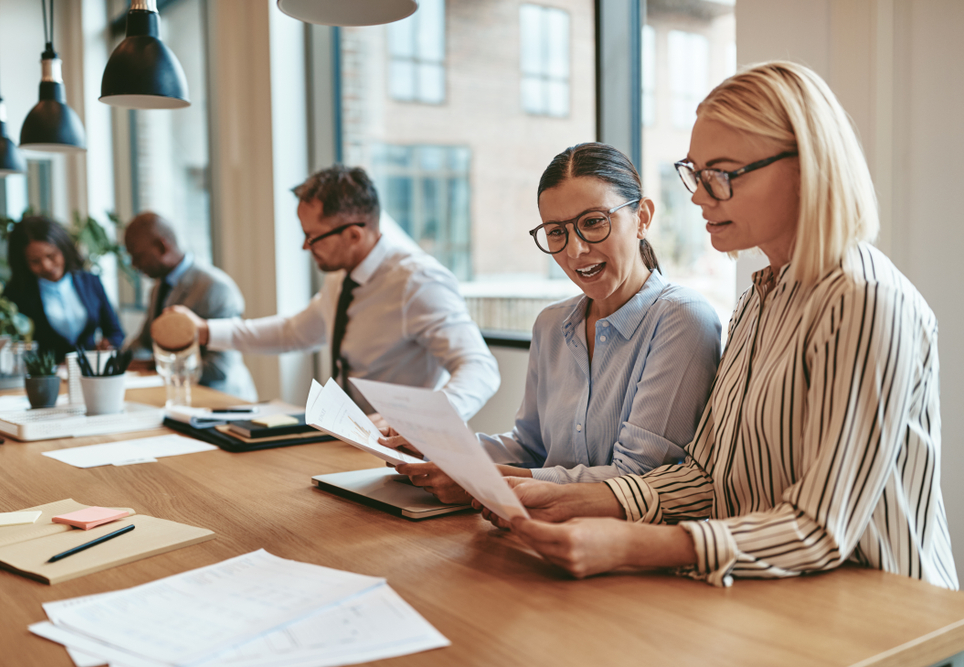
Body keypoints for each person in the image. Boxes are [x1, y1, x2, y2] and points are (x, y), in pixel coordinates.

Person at [483, 61, 958, 591]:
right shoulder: (759, 300)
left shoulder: (864, 301)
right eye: (695, 173)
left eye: (722, 174)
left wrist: (630, 543)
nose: (698, 195)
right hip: (778, 598)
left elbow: (818, 529)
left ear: (807, 168)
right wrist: (571, 497)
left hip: (888, 616)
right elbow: (707, 478)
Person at [386, 143, 722, 504]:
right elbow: (530, 446)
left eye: (593, 222)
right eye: (556, 231)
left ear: (642, 217)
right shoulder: (551, 324)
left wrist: (484, 479)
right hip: (538, 527)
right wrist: (441, 446)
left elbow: (638, 477)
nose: (574, 250)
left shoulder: (681, 317)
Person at [173, 165, 499, 420]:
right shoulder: (343, 278)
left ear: (355, 234)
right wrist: (204, 332)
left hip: (404, 453)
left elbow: (479, 368)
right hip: (349, 438)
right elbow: (294, 332)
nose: (305, 246)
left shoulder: (417, 282)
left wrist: (420, 422)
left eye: (313, 237)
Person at [124, 212, 257, 402]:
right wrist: (116, 359)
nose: (134, 264)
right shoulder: (158, 288)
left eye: (138, 256)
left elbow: (219, 369)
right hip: (179, 399)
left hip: (221, 401)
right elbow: (145, 340)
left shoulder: (215, 288)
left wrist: (155, 365)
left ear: (162, 247)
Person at [4, 215, 124, 361]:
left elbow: (115, 332)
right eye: (35, 261)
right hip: (46, 379)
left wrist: (108, 344)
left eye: (51, 255)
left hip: (89, 373)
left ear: (63, 248)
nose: (46, 266)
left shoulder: (90, 282)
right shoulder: (16, 295)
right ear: (23, 263)